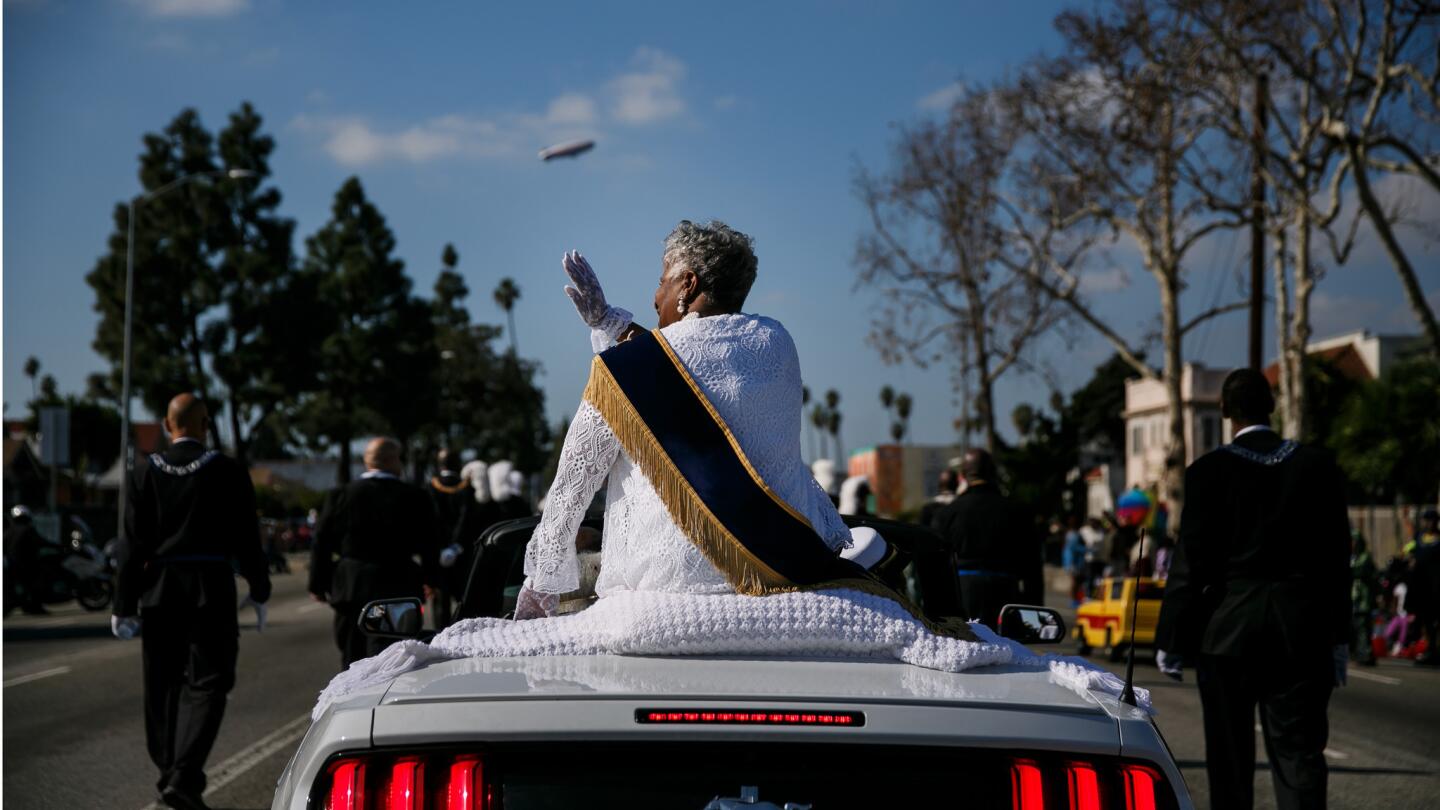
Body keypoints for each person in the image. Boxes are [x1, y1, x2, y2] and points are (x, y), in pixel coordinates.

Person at [513, 222, 860, 616]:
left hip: (657, 597)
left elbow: (572, 486)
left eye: (662, 281)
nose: (654, 296)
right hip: (785, 580)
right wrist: (612, 323)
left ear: (688, 285)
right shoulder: (775, 342)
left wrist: (541, 583)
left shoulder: (620, 373)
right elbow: (691, 358)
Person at [1154, 369, 1350, 810]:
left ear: (1224, 410)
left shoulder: (1208, 471)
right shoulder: (1317, 465)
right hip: (1301, 630)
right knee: (1299, 755)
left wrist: (1171, 637)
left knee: (1228, 759)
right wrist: (1340, 635)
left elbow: (1190, 564)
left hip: (1227, 632)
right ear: (1273, 406)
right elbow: (1338, 559)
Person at [112, 393, 271, 810]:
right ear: (206, 425)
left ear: (168, 425)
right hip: (209, 589)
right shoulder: (227, 471)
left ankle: (173, 775)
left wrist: (123, 603)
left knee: (162, 687)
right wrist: (258, 587)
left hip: (160, 591)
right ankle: (182, 778)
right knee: (209, 684)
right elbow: (247, 537)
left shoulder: (145, 473)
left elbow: (131, 545)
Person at [309, 438, 439, 669]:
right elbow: (430, 542)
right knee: (394, 655)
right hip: (396, 584)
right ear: (391, 460)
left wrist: (318, 584)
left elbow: (322, 540)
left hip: (352, 585)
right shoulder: (414, 496)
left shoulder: (340, 494)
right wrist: (431, 578)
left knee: (352, 654)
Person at [930, 448, 1043, 627]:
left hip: (960, 606)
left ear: (963, 476)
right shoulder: (1019, 514)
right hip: (1006, 604)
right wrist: (1034, 619)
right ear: (993, 473)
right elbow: (1032, 571)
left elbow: (933, 571)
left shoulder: (945, 515)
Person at [427, 448, 489, 628]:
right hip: (463, 552)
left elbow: (432, 520)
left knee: (441, 602)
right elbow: (467, 519)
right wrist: (456, 545)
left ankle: (439, 636)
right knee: (465, 600)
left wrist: (442, 547)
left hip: (439, 553)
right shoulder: (466, 487)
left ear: (440, 464)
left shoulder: (431, 486)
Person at [5, 505, 53, 614]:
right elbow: (41, 542)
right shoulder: (28, 530)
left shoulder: (9, 531)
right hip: (26, 565)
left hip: (11, 564)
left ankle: (28, 605)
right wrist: (58, 546)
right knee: (41, 579)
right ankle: (36, 606)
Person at [1349, 532, 1378, 666]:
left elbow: (1358, 571)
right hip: (1355, 597)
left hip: (1364, 599)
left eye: (1354, 541)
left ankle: (1367, 653)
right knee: (1356, 627)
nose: (1353, 544)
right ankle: (1359, 652)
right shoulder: (1353, 557)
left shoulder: (1365, 557)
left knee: (1364, 627)